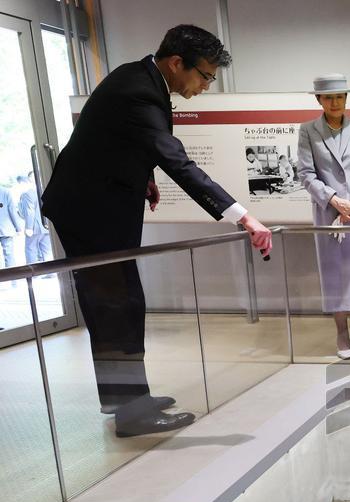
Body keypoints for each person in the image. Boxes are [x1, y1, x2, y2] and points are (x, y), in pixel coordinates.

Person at [41, 24, 273, 438]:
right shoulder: (139, 90)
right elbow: (177, 161)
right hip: (90, 211)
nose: (205, 86)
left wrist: (141, 176)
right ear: (176, 62)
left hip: (101, 203)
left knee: (123, 300)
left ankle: (127, 399)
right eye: (204, 76)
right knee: (116, 304)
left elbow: (122, 142)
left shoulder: (141, 78)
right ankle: (130, 411)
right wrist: (243, 215)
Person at [297, 73, 350, 360]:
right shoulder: (308, 130)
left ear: (346, 98)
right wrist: (335, 201)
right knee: (336, 275)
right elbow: (306, 174)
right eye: (329, 97)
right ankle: (341, 332)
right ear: (319, 99)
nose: (335, 102)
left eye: (340, 96)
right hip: (329, 214)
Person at [18, 173, 52, 264]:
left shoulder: (27, 194)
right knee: (46, 249)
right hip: (46, 226)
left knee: (30, 249)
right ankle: (50, 271)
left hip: (34, 227)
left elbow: (29, 211)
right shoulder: (45, 191)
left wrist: (28, 227)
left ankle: (33, 272)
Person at [0, 183, 25, 271]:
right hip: (6, 228)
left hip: (5, 228)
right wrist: (18, 228)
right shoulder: (5, 192)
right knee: (9, 254)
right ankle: (12, 278)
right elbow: (12, 211)